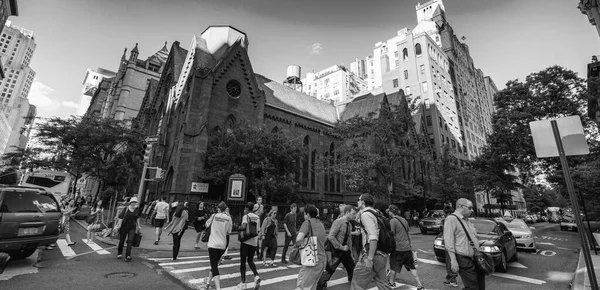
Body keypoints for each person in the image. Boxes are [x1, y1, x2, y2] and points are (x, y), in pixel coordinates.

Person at [351, 194, 392, 290]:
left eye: (358, 200)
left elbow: (373, 237)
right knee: (383, 284)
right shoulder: (376, 213)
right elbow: (356, 220)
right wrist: (360, 211)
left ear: (363, 202)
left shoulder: (366, 215)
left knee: (357, 284)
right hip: (382, 255)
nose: (357, 202)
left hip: (372, 255)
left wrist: (369, 258)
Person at [443, 198, 484, 290]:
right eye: (470, 208)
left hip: (473, 258)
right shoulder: (451, 219)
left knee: (479, 283)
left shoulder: (466, 220)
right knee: (473, 286)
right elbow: (448, 241)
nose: (472, 210)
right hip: (463, 258)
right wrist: (453, 260)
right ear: (460, 206)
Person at [317, 205, 357, 290]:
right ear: (347, 212)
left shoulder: (349, 224)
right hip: (336, 252)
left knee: (352, 269)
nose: (355, 216)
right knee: (329, 270)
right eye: (353, 214)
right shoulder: (338, 222)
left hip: (345, 252)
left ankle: (354, 283)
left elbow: (349, 239)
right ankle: (319, 287)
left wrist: (350, 253)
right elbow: (331, 236)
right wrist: (341, 247)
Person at [387, 205, 424, 289]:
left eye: (389, 211)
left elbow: (392, 234)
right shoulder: (404, 219)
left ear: (391, 212)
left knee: (394, 266)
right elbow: (408, 233)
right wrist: (410, 244)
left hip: (398, 248)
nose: (388, 213)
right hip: (407, 247)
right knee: (411, 266)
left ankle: (392, 282)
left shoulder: (393, 221)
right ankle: (419, 284)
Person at [295, 204, 326, 290]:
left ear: (308, 214)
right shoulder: (321, 224)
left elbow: (298, 239)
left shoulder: (307, 222)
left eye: (304, 214)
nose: (304, 216)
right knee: (312, 286)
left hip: (311, 260)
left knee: (302, 287)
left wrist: (299, 246)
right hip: (321, 260)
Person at [204, 201, 232, 290]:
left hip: (212, 244)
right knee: (215, 265)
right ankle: (208, 283)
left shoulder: (214, 216)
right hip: (222, 245)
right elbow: (229, 232)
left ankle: (218, 288)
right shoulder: (228, 218)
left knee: (214, 267)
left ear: (219, 209)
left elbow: (206, 225)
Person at [235, 202, 262, 290]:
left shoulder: (246, 216)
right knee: (250, 260)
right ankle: (256, 275)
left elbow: (243, 227)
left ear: (247, 208)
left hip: (246, 241)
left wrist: (237, 228)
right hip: (254, 242)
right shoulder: (257, 217)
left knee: (243, 261)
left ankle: (243, 282)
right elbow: (258, 230)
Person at [117, 197, 141, 262]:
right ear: (130, 202)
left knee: (130, 241)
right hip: (124, 226)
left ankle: (128, 255)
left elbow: (137, 217)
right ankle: (119, 253)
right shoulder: (126, 208)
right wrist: (118, 225)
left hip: (132, 227)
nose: (134, 203)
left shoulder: (137, 209)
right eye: (133, 202)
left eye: (135, 202)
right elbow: (121, 217)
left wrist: (139, 225)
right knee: (122, 240)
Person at [442, 202, 458, 287]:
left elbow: (448, 233)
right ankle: (449, 278)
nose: (443, 215)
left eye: (444, 213)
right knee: (450, 262)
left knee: (450, 262)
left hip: (450, 244)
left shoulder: (449, 219)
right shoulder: (456, 218)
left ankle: (452, 279)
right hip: (456, 243)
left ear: (447, 212)